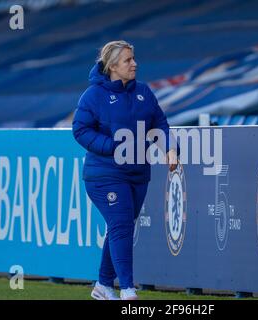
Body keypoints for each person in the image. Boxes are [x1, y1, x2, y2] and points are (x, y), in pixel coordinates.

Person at [72, 40, 178, 300]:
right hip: (104, 175)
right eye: (128, 60)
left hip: (138, 173)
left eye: (134, 58)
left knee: (120, 226)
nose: (134, 63)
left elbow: (160, 123)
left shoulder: (143, 92)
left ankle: (103, 285)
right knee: (121, 226)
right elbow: (80, 130)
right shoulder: (93, 95)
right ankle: (128, 291)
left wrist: (169, 148)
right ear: (112, 66)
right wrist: (112, 146)